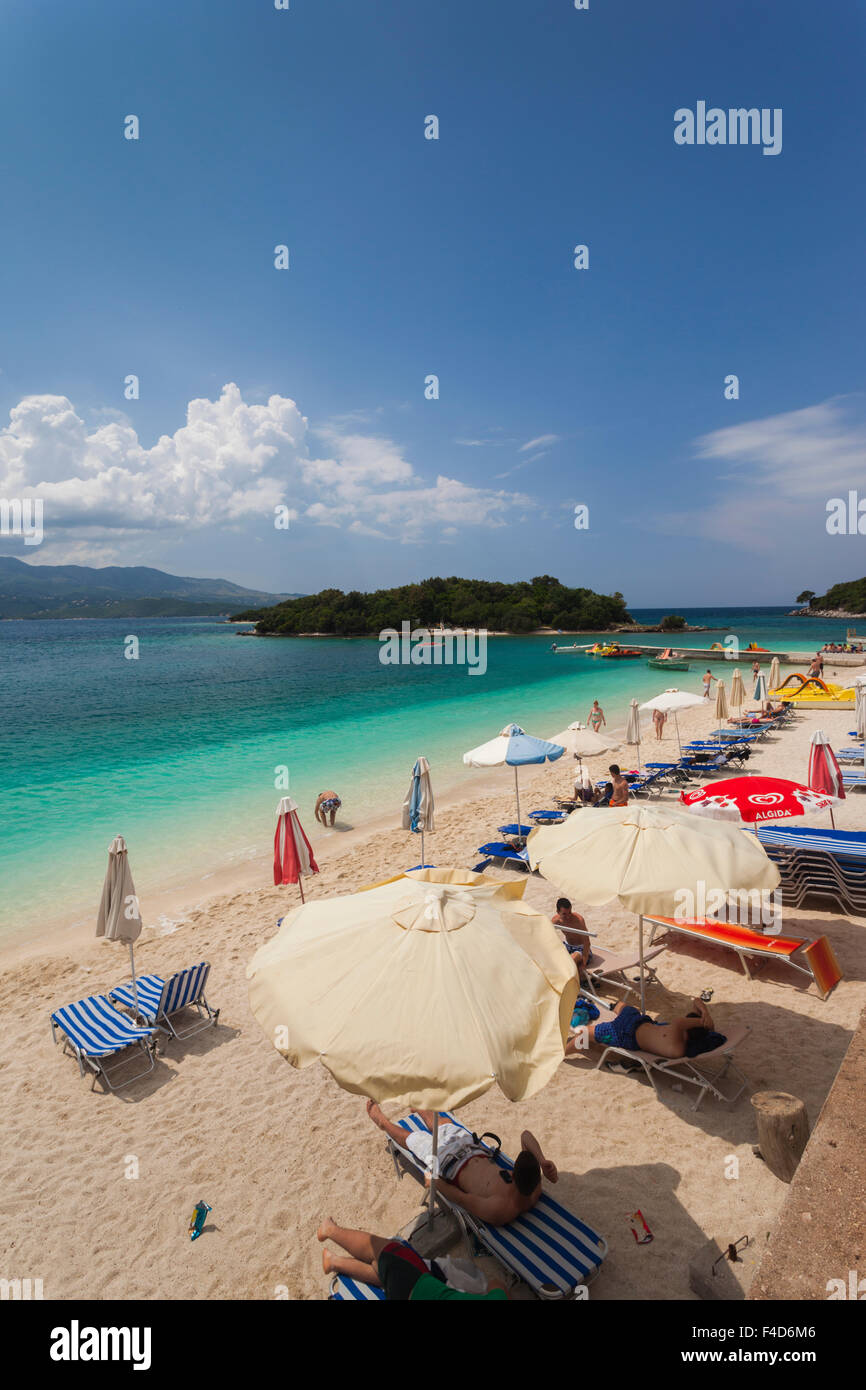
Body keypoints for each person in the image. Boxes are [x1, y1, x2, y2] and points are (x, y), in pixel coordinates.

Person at [366, 1101, 556, 1226]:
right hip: (471, 1148)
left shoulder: (500, 1209)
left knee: (412, 1139)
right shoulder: (534, 1188)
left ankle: (384, 1123)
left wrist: (435, 1182)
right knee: (444, 1123)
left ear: (513, 1174)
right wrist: (542, 1159)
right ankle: (420, 1109)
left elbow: (459, 1197)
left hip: (448, 1162)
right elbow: (526, 1136)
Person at [317, 1221, 508, 1300]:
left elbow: (497, 1285)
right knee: (385, 1273)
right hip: (401, 1292)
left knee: (387, 1251)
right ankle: (334, 1262)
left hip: (415, 1284)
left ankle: (329, 1230)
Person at [565, 995, 724, 1062]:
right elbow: (697, 1001)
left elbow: (684, 1016)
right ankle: (613, 1007)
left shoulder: (676, 1034)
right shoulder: (678, 1043)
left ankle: (561, 1053)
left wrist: (705, 1017)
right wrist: (704, 1014)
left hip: (624, 1034)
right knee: (624, 1008)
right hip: (636, 1021)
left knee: (585, 1034)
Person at [551, 897, 592, 974]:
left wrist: (583, 963)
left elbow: (587, 943)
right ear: (557, 912)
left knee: (570, 961)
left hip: (581, 949)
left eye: (570, 912)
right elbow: (548, 936)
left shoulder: (578, 920)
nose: (568, 916)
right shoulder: (556, 921)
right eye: (564, 914)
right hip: (567, 946)